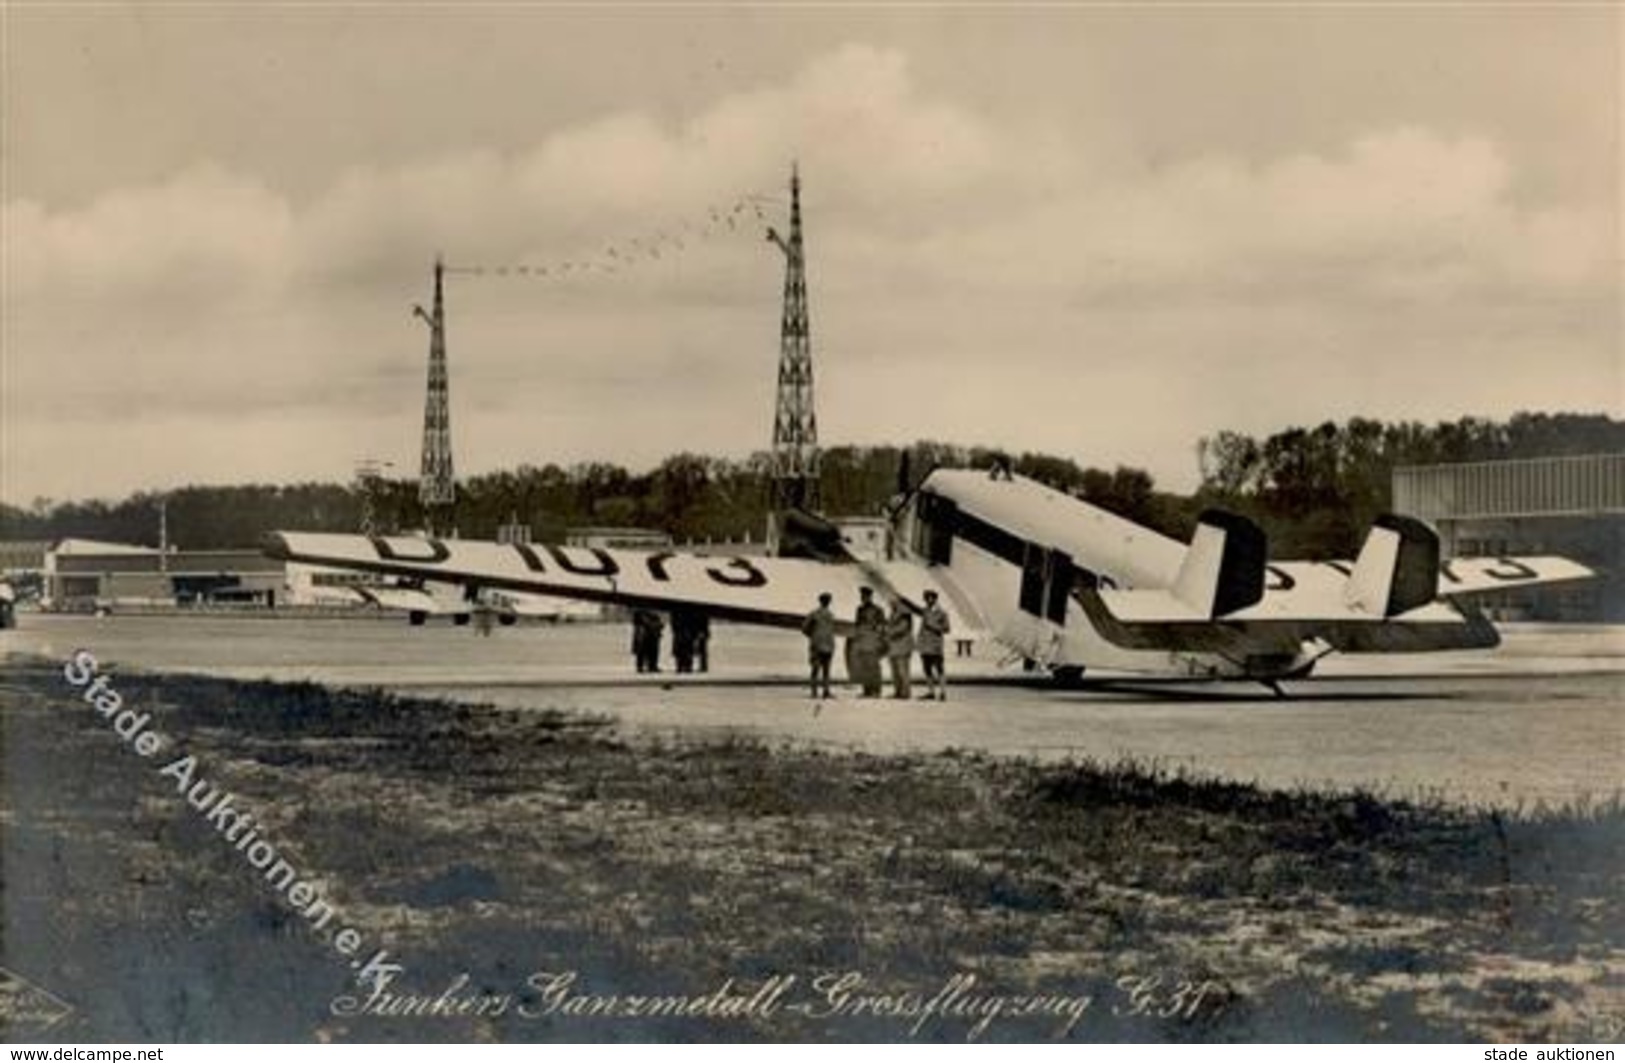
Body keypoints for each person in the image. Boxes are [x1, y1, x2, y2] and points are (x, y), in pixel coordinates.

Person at [849, 586, 886, 697]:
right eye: (862, 596)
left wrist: (878, 637)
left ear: (870, 597)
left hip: (873, 642)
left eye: (865, 596)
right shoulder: (859, 609)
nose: (863, 598)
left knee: (874, 667)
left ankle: (876, 690)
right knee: (864, 667)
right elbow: (857, 625)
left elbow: (882, 625)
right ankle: (867, 690)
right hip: (862, 642)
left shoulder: (878, 610)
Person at [801, 592, 838, 699]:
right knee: (825, 670)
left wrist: (812, 636)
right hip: (827, 645)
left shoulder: (814, 614)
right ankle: (824, 691)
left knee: (816, 669)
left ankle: (815, 692)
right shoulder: (830, 616)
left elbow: (804, 628)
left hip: (818, 645)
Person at [917, 589, 951, 700]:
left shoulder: (942, 613)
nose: (928, 600)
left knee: (939, 669)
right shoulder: (925, 611)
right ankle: (931, 692)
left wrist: (933, 626)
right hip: (925, 645)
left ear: (935, 599)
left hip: (935, 646)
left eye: (930, 597)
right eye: (926, 598)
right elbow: (922, 628)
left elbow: (947, 629)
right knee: (927, 669)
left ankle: (943, 692)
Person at [885, 597, 914, 699]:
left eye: (893, 602)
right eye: (890, 603)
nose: (891, 604)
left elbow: (902, 628)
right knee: (895, 671)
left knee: (903, 671)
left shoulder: (904, 614)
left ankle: (905, 693)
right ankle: (897, 691)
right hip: (893, 647)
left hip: (903, 646)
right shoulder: (893, 613)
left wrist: (888, 631)